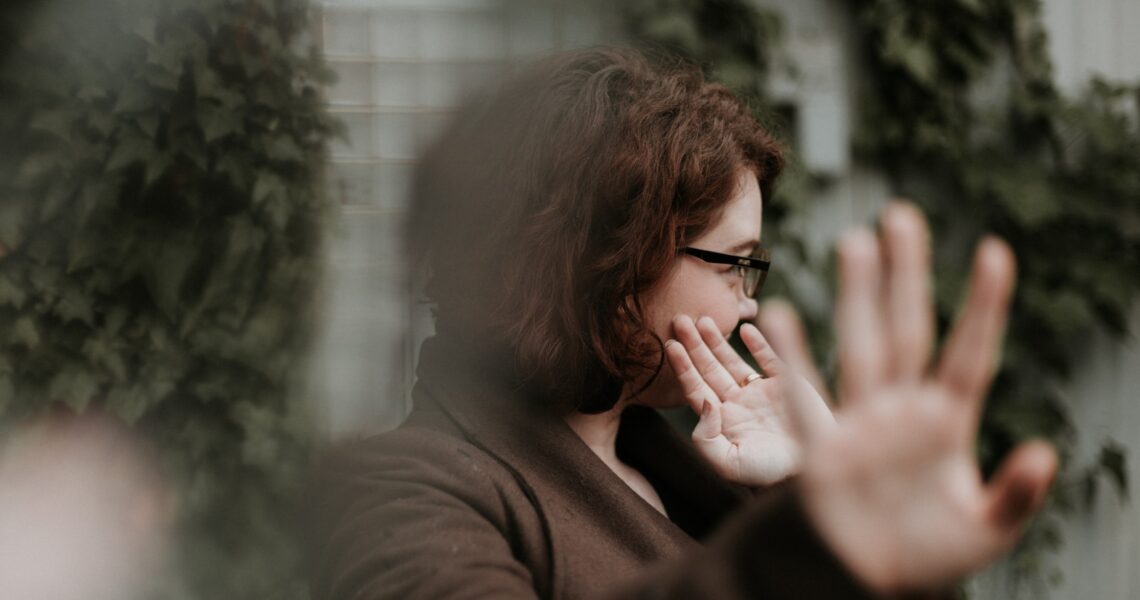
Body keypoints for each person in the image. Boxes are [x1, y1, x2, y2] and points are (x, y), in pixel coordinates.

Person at [308, 47, 1057, 599]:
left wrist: (817, 495)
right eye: (732, 262)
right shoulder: (403, 497)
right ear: (604, 261)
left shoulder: (704, 475)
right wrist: (812, 538)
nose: (749, 299)